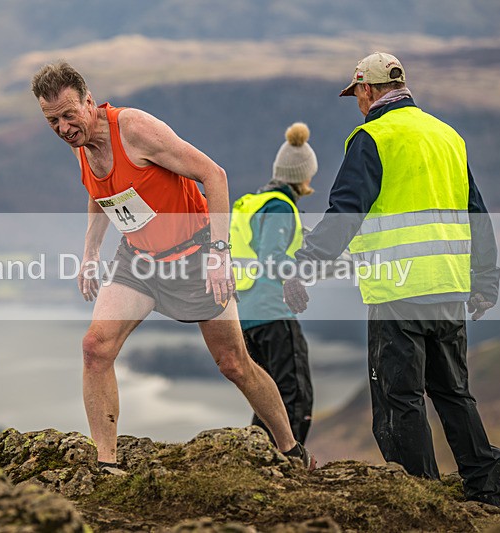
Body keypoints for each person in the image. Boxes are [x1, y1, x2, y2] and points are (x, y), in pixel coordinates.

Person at [31, 61, 314, 471]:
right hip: (140, 261)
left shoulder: (134, 130)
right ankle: (106, 465)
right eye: (52, 120)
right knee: (95, 348)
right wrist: (90, 253)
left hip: (195, 257)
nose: (62, 127)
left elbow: (213, 175)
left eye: (68, 115)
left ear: (89, 101)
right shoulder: (82, 145)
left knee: (235, 364)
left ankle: (290, 450)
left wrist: (219, 253)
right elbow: (100, 194)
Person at [283, 52, 500, 505]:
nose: (357, 104)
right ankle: (487, 491)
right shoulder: (448, 136)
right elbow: (476, 214)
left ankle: (420, 498)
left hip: (398, 291)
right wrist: (485, 281)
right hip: (447, 285)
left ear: (367, 90)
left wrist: (303, 265)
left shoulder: (372, 137)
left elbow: (346, 213)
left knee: (398, 398)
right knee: (454, 393)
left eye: (357, 95)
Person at [230, 122, 317, 445]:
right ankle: (288, 465)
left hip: (246, 315)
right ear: (304, 175)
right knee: (294, 396)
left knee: (266, 396)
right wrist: (292, 277)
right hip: (272, 312)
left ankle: (260, 461)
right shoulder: (280, 207)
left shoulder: (255, 204)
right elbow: (271, 254)